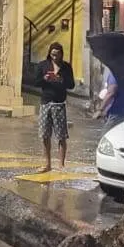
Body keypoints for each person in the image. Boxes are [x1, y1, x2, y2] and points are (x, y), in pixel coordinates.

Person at [37, 42, 75, 173]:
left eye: (57, 54)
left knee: (61, 135)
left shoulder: (66, 67)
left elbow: (72, 85)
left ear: (61, 54)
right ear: (49, 53)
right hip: (45, 103)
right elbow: (35, 81)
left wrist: (61, 80)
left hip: (59, 104)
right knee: (44, 135)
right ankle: (47, 164)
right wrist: (44, 78)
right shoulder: (43, 65)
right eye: (52, 54)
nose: (54, 57)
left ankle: (61, 165)